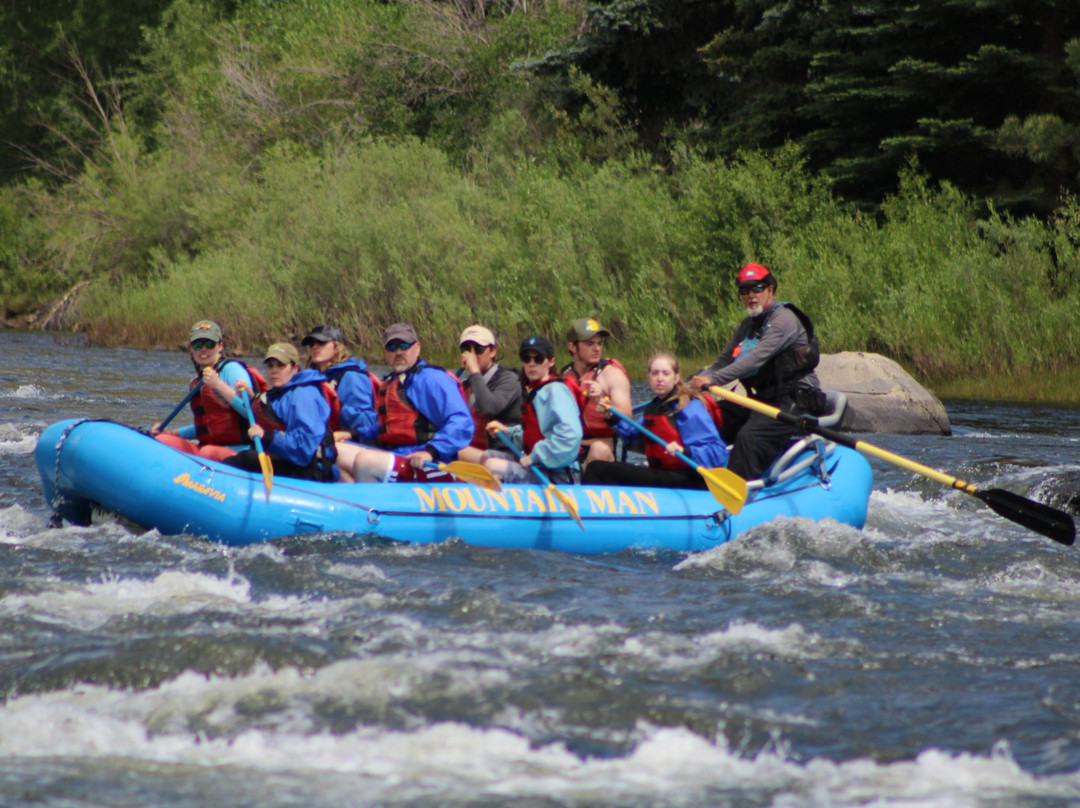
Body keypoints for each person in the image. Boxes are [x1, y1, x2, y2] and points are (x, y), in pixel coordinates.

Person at [690, 263, 824, 480]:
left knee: (748, 437)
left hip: (794, 400)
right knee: (708, 419)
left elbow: (754, 360)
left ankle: (736, 492)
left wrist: (712, 379)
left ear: (770, 290)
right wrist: (692, 385)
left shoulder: (784, 320)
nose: (751, 295)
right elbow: (723, 361)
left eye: (757, 288)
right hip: (760, 400)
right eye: (744, 290)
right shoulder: (748, 325)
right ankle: (693, 478)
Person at [337, 323, 474, 483]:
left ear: (417, 348)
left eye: (404, 346)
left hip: (429, 462)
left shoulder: (431, 379)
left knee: (366, 460)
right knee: (335, 451)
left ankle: (373, 503)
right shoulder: (395, 380)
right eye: (392, 348)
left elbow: (461, 422)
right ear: (385, 353)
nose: (398, 352)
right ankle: (352, 499)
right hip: (398, 455)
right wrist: (353, 434)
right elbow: (390, 427)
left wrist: (432, 451)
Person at [583, 353, 728, 489]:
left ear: (676, 377)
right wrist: (611, 417)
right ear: (649, 377)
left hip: (689, 481)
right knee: (599, 468)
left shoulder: (688, 407)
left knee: (597, 470)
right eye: (655, 373)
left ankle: (586, 511)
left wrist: (685, 451)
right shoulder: (655, 407)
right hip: (664, 476)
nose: (659, 378)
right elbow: (634, 438)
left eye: (665, 373)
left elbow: (718, 452)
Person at [224, 342, 340, 482]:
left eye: (281, 365)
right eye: (270, 366)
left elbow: (304, 447)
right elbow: (270, 414)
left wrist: (266, 435)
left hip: (310, 469)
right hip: (291, 460)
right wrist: (250, 396)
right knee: (244, 457)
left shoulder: (303, 395)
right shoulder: (281, 392)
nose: (274, 371)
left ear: (295, 368)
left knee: (245, 459)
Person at [152, 319, 266, 461]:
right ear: (190, 348)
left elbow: (252, 414)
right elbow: (207, 426)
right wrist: (171, 433)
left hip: (239, 451)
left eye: (210, 344)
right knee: (163, 440)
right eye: (198, 345)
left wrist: (218, 384)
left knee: (208, 452)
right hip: (206, 448)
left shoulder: (232, 370)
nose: (204, 349)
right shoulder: (198, 381)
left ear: (220, 346)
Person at [483, 335, 582, 484]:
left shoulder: (555, 391)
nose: (531, 364)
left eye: (538, 359)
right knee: (487, 456)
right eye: (526, 358)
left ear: (551, 361)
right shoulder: (535, 390)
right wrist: (507, 432)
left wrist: (535, 456)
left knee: (493, 465)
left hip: (558, 475)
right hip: (540, 465)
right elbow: (535, 434)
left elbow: (570, 435)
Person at [560, 317, 632, 468]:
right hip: (568, 448)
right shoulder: (563, 376)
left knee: (599, 449)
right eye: (589, 344)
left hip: (601, 450)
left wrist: (604, 403)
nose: (597, 348)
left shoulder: (612, 375)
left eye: (599, 343)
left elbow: (626, 416)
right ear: (572, 347)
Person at [454, 323, 522, 463]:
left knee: (456, 453)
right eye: (466, 349)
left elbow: (489, 408)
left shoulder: (509, 379)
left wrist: (474, 371)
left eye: (478, 349)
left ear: (493, 352)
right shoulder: (465, 382)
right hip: (474, 450)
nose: (472, 355)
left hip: (506, 453)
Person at [301, 324, 378, 444]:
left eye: (321, 342)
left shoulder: (352, 377)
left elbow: (368, 422)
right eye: (312, 344)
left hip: (351, 444)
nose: (315, 347)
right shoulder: (314, 379)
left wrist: (337, 407)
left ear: (337, 346)